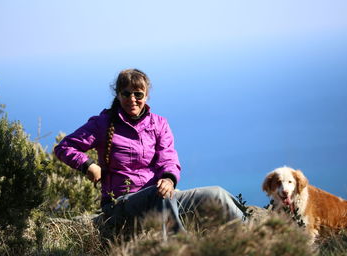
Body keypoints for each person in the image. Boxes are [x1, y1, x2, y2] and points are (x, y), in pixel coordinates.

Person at [54, 68, 246, 234]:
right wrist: (88, 165)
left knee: (217, 194)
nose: (132, 99)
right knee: (158, 195)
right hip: (120, 204)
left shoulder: (159, 124)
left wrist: (169, 179)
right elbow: (64, 147)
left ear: (146, 96)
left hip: (161, 198)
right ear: (118, 95)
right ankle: (178, 253)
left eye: (138, 94)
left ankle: (251, 237)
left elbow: (168, 157)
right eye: (126, 93)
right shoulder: (102, 123)